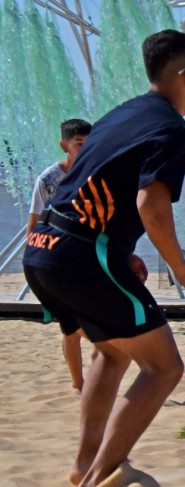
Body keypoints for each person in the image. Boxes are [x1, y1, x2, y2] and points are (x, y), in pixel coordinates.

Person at [22, 29, 185, 487]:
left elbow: (86, 183)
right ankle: (102, 476)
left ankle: (84, 464)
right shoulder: (173, 129)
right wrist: (183, 268)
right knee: (163, 368)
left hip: (44, 248)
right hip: (82, 255)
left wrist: (121, 252)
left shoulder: (119, 115)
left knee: (112, 353)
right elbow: (151, 205)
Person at [27, 118, 93, 392]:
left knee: (98, 325)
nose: (85, 149)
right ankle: (79, 384)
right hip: (58, 263)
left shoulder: (96, 173)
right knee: (71, 329)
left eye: (90, 143)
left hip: (90, 260)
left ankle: (97, 379)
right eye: (79, 144)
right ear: (64, 146)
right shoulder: (48, 180)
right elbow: (34, 224)